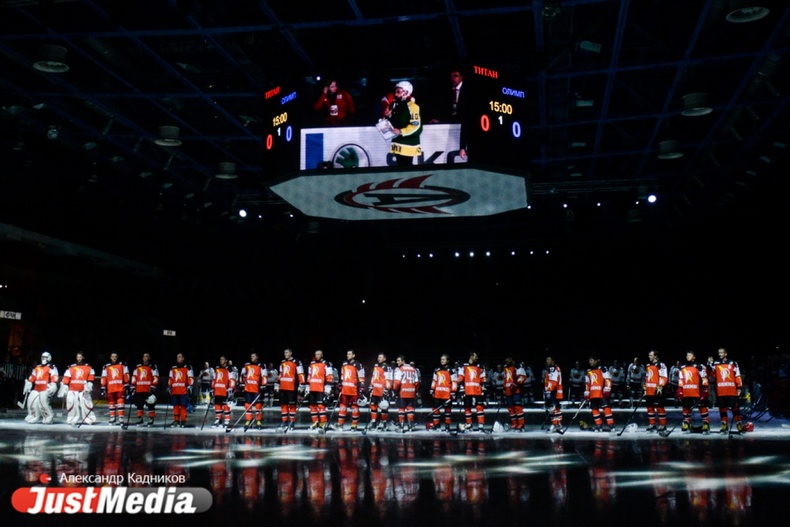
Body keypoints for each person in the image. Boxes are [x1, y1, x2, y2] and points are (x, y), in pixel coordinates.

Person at [384, 80, 422, 166]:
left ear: (406, 92)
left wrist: (401, 131)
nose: (395, 94)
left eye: (398, 91)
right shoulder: (395, 105)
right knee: (401, 166)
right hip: (398, 144)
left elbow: (417, 126)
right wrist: (388, 116)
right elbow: (394, 123)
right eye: (395, 91)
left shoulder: (412, 106)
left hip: (408, 144)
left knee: (406, 167)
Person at [57, 351, 96, 426]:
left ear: (83, 357)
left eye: (80, 357)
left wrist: (89, 386)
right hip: (73, 389)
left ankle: (90, 419)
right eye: (78, 357)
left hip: (84, 389)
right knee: (71, 404)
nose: (79, 358)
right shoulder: (71, 367)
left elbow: (91, 378)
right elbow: (66, 377)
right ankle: (72, 419)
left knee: (87, 404)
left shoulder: (88, 367)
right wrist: (65, 386)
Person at [713, 347, 744, 434]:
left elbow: (737, 375)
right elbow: (711, 374)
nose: (720, 354)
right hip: (721, 389)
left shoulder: (733, 362)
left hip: (731, 389)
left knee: (735, 407)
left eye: (721, 352)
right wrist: (709, 364)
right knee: (722, 408)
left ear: (726, 353)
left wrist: (739, 387)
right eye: (719, 353)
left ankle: (739, 424)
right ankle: (724, 425)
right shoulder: (716, 363)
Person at [678, 351, 711, 434]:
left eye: (690, 355)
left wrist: (704, 390)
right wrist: (680, 390)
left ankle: (706, 423)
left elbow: (704, 378)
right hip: (686, 391)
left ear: (694, 357)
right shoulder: (683, 367)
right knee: (686, 407)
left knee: (702, 407)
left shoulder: (700, 366)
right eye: (687, 355)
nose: (687, 356)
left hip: (697, 391)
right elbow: (681, 379)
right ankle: (686, 423)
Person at [23, 351, 59, 424]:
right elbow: (33, 376)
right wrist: (29, 382)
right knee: (31, 400)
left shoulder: (51, 367)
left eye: (45, 357)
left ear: (49, 358)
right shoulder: (37, 367)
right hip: (36, 388)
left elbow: (54, 376)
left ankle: (48, 416)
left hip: (46, 388)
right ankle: (33, 415)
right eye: (42, 357)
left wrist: (53, 384)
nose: (43, 359)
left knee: (42, 402)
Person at [337, 350, 365, 431]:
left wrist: (362, 387)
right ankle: (340, 424)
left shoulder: (358, 364)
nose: (348, 355)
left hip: (354, 390)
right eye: (347, 354)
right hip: (345, 389)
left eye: (349, 354)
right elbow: (342, 375)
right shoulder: (344, 363)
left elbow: (361, 376)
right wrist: (340, 384)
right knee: (342, 407)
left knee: (354, 407)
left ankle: (354, 425)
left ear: (353, 355)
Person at [277, 348, 305, 431]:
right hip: (283, 387)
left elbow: (301, 373)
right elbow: (280, 374)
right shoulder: (282, 362)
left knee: (292, 405)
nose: (285, 354)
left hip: (292, 387)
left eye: (286, 352)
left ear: (290, 353)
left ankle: (292, 422)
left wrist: (302, 384)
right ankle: (284, 422)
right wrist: (277, 383)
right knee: (283, 405)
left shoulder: (297, 362)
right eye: (284, 352)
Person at [458, 351, 486, 432]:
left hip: (477, 390)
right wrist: (461, 388)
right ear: (471, 357)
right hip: (467, 390)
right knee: (467, 407)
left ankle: (481, 425)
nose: (477, 358)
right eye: (475, 356)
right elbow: (460, 377)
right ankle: (469, 425)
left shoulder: (480, 365)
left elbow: (483, 378)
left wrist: (483, 388)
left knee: (479, 407)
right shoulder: (463, 365)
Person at [585, 356, 615, 432]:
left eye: (591, 360)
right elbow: (587, 383)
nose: (590, 362)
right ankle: (598, 425)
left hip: (601, 392)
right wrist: (587, 392)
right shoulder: (589, 371)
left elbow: (608, 379)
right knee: (594, 409)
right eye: (589, 360)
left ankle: (611, 424)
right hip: (593, 392)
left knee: (606, 408)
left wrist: (607, 388)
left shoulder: (603, 369)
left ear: (596, 361)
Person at [429, 354, 457, 432]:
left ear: (447, 360)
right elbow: (434, 380)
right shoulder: (437, 369)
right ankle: (436, 425)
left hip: (446, 394)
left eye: (444, 359)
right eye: (441, 359)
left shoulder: (452, 370)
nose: (442, 361)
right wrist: (432, 389)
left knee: (447, 410)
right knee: (435, 410)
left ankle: (447, 426)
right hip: (437, 393)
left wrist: (453, 391)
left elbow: (454, 381)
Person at [100, 352, 129, 425]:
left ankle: (121, 418)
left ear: (117, 357)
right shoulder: (106, 366)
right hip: (110, 388)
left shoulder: (123, 364)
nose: (114, 358)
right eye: (113, 356)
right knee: (111, 403)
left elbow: (126, 374)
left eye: (115, 356)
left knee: (120, 402)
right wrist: (103, 387)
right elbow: (104, 377)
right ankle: (112, 417)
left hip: (120, 387)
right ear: (110, 357)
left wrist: (127, 384)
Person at [130, 352, 159, 427]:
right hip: (139, 389)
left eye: (147, 356)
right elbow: (134, 377)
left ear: (149, 358)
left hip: (148, 390)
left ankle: (151, 419)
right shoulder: (138, 366)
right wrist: (133, 387)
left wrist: (153, 387)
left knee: (151, 404)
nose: (145, 357)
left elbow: (156, 377)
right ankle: (140, 419)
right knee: (139, 405)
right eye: (144, 356)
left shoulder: (153, 366)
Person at [307, 350, 334, 429]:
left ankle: (323, 422)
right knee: (312, 406)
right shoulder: (312, 363)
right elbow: (309, 375)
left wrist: (328, 386)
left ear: (322, 355)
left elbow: (329, 375)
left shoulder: (326, 363)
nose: (317, 356)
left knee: (321, 406)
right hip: (312, 387)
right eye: (316, 354)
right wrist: (308, 385)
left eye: (318, 354)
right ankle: (315, 422)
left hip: (321, 388)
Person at [240, 352, 266, 430]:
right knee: (247, 405)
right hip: (248, 388)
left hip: (256, 388)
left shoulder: (261, 365)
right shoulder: (247, 364)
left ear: (257, 357)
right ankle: (249, 420)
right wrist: (242, 383)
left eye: (253, 356)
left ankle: (258, 420)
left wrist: (263, 385)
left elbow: (264, 376)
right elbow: (242, 374)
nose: (252, 357)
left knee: (258, 405)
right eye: (251, 356)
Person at [643, 350, 668, 433]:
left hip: (657, 390)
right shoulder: (648, 365)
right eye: (649, 355)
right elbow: (647, 377)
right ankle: (652, 424)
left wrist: (660, 386)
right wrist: (645, 387)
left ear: (656, 356)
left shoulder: (661, 365)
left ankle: (663, 425)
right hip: (649, 390)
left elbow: (664, 377)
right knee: (649, 407)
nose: (649, 357)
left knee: (659, 407)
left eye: (651, 355)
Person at [393, 355, 419, 431]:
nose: (397, 362)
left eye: (398, 361)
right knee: (410, 408)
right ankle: (410, 424)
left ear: (403, 361)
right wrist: (415, 390)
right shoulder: (413, 369)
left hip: (403, 392)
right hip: (411, 392)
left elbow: (397, 382)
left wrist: (394, 390)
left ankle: (401, 425)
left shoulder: (400, 369)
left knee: (401, 408)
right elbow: (416, 382)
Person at [168, 353, 194, 428]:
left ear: (183, 358)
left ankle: (183, 421)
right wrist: (169, 386)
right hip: (175, 390)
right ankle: (176, 420)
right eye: (177, 357)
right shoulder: (173, 368)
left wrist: (190, 387)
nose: (178, 358)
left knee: (183, 406)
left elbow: (191, 378)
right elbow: (170, 378)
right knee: (175, 406)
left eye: (180, 357)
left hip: (183, 390)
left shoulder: (187, 367)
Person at [368, 352, 393, 431]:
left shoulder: (387, 367)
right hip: (375, 389)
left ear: (384, 359)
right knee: (373, 405)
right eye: (378, 357)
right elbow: (373, 377)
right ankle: (373, 422)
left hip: (382, 390)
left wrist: (387, 388)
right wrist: (371, 385)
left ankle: (384, 423)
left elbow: (389, 379)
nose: (379, 359)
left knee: (384, 406)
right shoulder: (376, 366)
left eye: (381, 357)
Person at [211, 355, 237, 428]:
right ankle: (218, 419)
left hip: (225, 390)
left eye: (222, 359)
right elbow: (214, 379)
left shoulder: (229, 369)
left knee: (226, 405)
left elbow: (232, 379)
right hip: (217, 390)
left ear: (226, 361)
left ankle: (227, 420)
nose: (221, 361)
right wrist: (212, 388)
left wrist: (231, 388)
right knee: (217, 405)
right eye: (220, 359)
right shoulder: (217, 368)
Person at [503, 357, 526, 431]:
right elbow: (505, 379)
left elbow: (522, 377)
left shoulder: (517, 367)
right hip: (508, 391)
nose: (507, 361)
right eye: (506, 359)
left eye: (508, 359)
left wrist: (516, 384)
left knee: (518, 408)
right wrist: (504, 388)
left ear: (512, 360)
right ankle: (514, 423)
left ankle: (521, 424)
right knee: (510, 408)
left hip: (516, 391)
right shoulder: (505, 368)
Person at [543, 356, 563, 433]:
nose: (547, 361)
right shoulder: (550, 369)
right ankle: (558, 424)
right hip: (553, 391)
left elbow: (553, 382)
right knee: (555, 408)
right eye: (546, 360)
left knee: (553, 408)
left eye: (549, 360)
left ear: (553, 361)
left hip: (554, 391)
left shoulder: (554, 369)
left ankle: (555, 424)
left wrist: (548, 391)